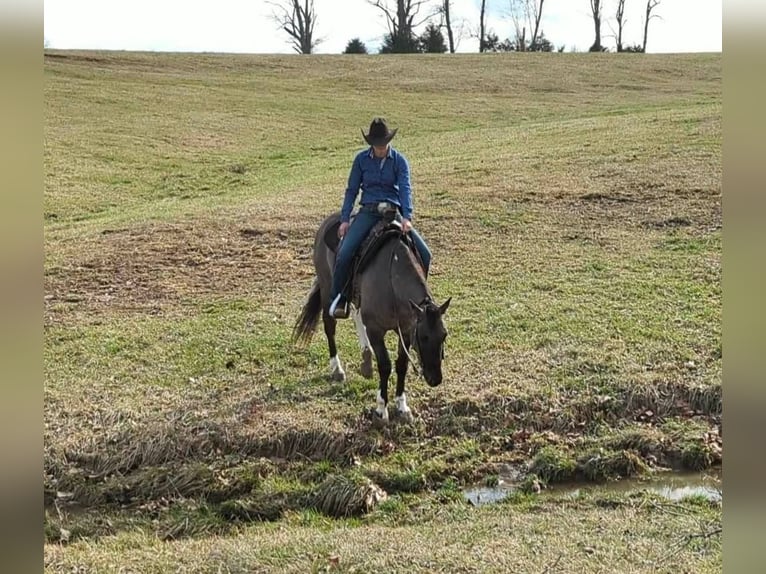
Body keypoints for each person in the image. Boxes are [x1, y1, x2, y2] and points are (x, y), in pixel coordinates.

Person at [328, 117, 432, 319]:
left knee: (425, 254)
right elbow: (351, 190)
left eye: (383, 143)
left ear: (388, 141)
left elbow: (405, 189)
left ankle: (422, 300)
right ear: (371, 144)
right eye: (377, 144)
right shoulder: (361, 160)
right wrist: (345, 219)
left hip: (393, 212)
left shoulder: (400, 161)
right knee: (344, 252)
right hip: (368, 211)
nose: (380, 147)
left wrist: (407, 217)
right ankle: (339, 298)